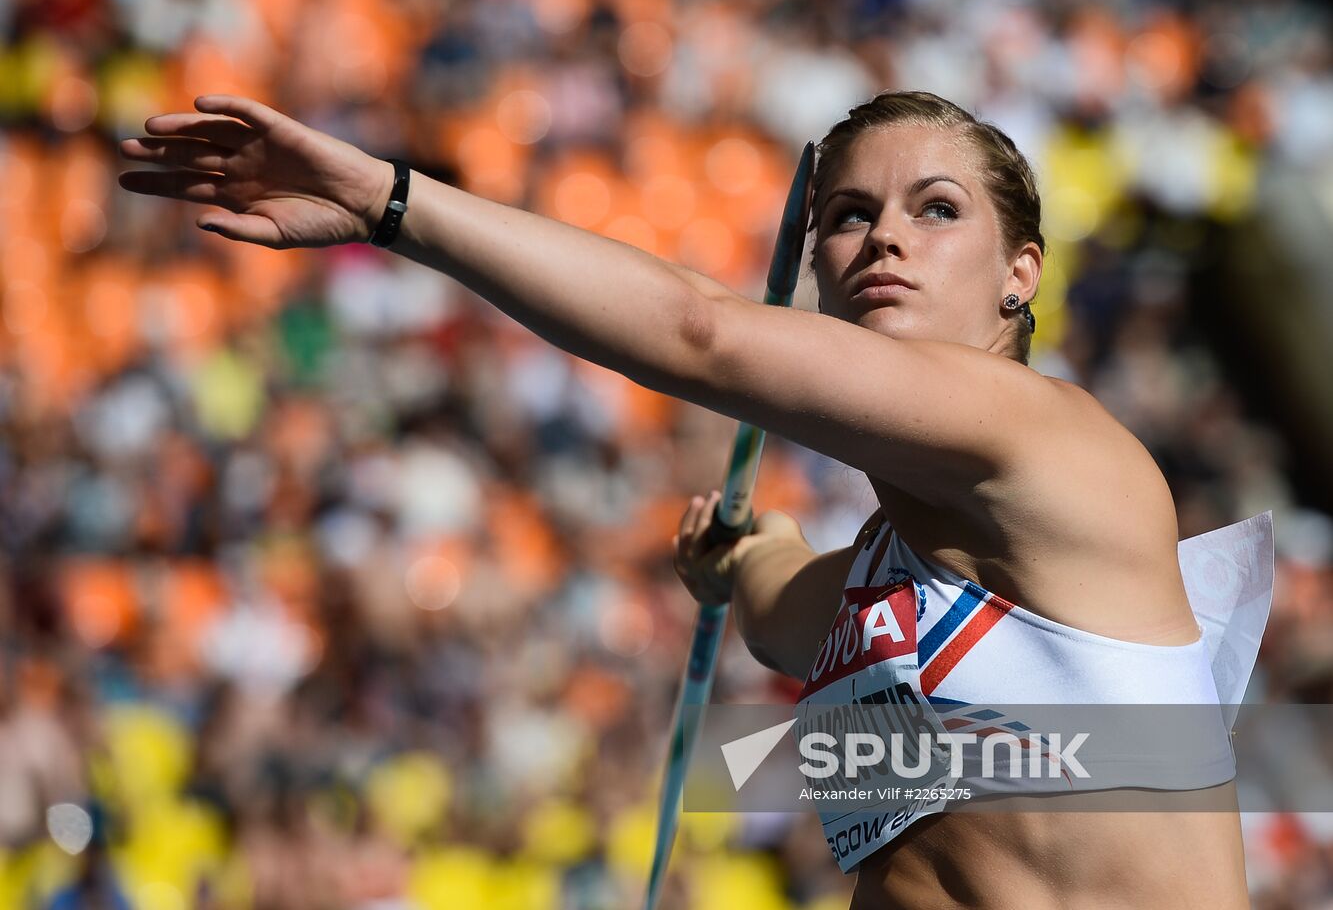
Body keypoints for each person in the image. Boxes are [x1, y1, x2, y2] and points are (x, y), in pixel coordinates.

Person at [119, 89, 1255, 908]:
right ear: (815, 271)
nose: (885, 238)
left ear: (1022, 274)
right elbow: (771, 596)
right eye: (848, 216)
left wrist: (389, 201)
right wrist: (743, 553)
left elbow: (695, 331)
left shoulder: (1049, 441)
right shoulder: (873, 588)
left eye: (937, 209)